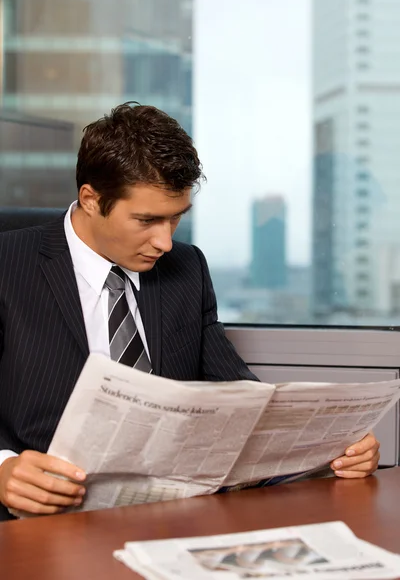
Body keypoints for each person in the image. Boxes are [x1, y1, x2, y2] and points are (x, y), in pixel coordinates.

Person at [0, 103, 379, 521]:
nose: (164, 242)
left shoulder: (187, 268)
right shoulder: (7, 266)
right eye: (147, 220)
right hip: (46, 517)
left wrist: (331, 449)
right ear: (91, 199)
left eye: (176, 219)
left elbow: (242, 400)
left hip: (170, 516)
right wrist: (2, 468)